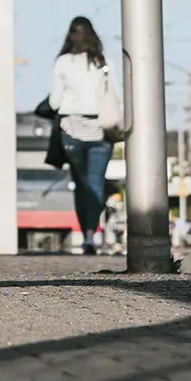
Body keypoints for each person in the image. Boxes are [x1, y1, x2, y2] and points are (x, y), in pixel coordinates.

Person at [48, 16, 119, 256]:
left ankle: (87, 235)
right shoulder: (104, 63)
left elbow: (54, 101)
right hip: (100, 130)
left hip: (71, 130)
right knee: (96, 183)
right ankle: (92, 234)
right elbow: (116, 95)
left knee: (81, 185)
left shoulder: (63, 63)